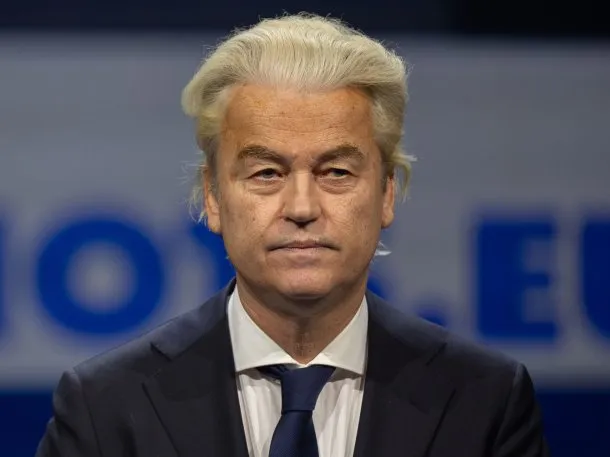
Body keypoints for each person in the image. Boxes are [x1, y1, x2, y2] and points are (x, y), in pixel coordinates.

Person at [36, 12, 549, 457]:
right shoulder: (105, 407)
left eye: (336, 172)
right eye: (267, 173)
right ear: (213, 196)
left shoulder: (486, 401)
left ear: (387, 193)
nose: (302, 208)